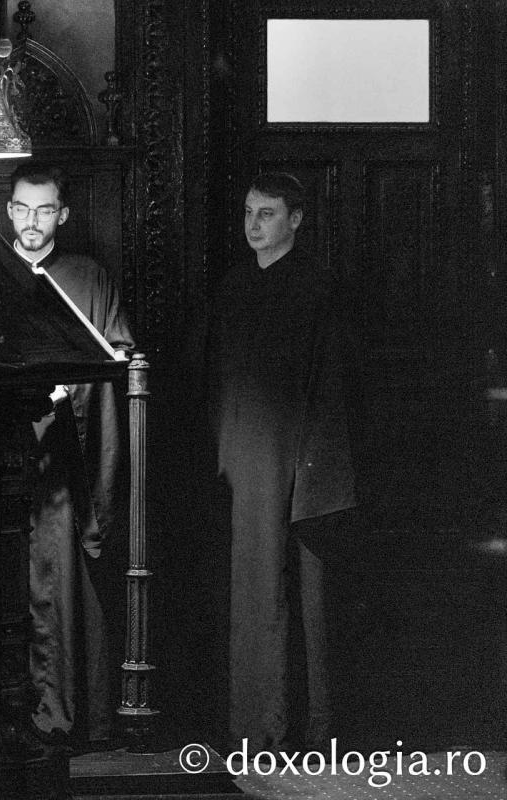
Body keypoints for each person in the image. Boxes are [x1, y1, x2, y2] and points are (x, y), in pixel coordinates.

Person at [207, 172, 356, 752]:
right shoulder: (234, 287)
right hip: (243, 458)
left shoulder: (320, 289)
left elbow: (335, 386)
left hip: (303, 458)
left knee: (306, 594)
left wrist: (310, 467)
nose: (253, 224)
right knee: (252, 589)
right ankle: (256, 729)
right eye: (248, 212)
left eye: (266, 213)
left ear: (296, 219)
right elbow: (219, 379)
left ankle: (314, 731)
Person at [6, 162, 134, 750]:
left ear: (62, 214)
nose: (32, 222)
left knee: (65, 586)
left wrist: (71, 388)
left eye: (44, 210)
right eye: (22, 209)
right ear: (9, 211)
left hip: (70, 460)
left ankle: (72, 716)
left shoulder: (88, 276)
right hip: (4, 454)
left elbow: (120, 353)